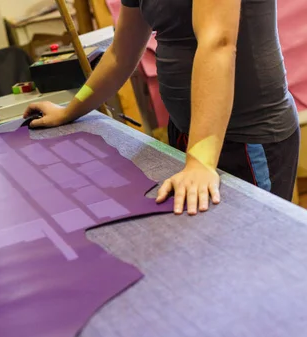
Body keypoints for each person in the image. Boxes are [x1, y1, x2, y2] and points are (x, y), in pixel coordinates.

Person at [24, 0, 300, 215]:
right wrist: (70, 110)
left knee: (252, 260)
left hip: (246, 139)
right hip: (188, 134)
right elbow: (121, 53)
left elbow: (218, 42)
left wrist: (200, 161)